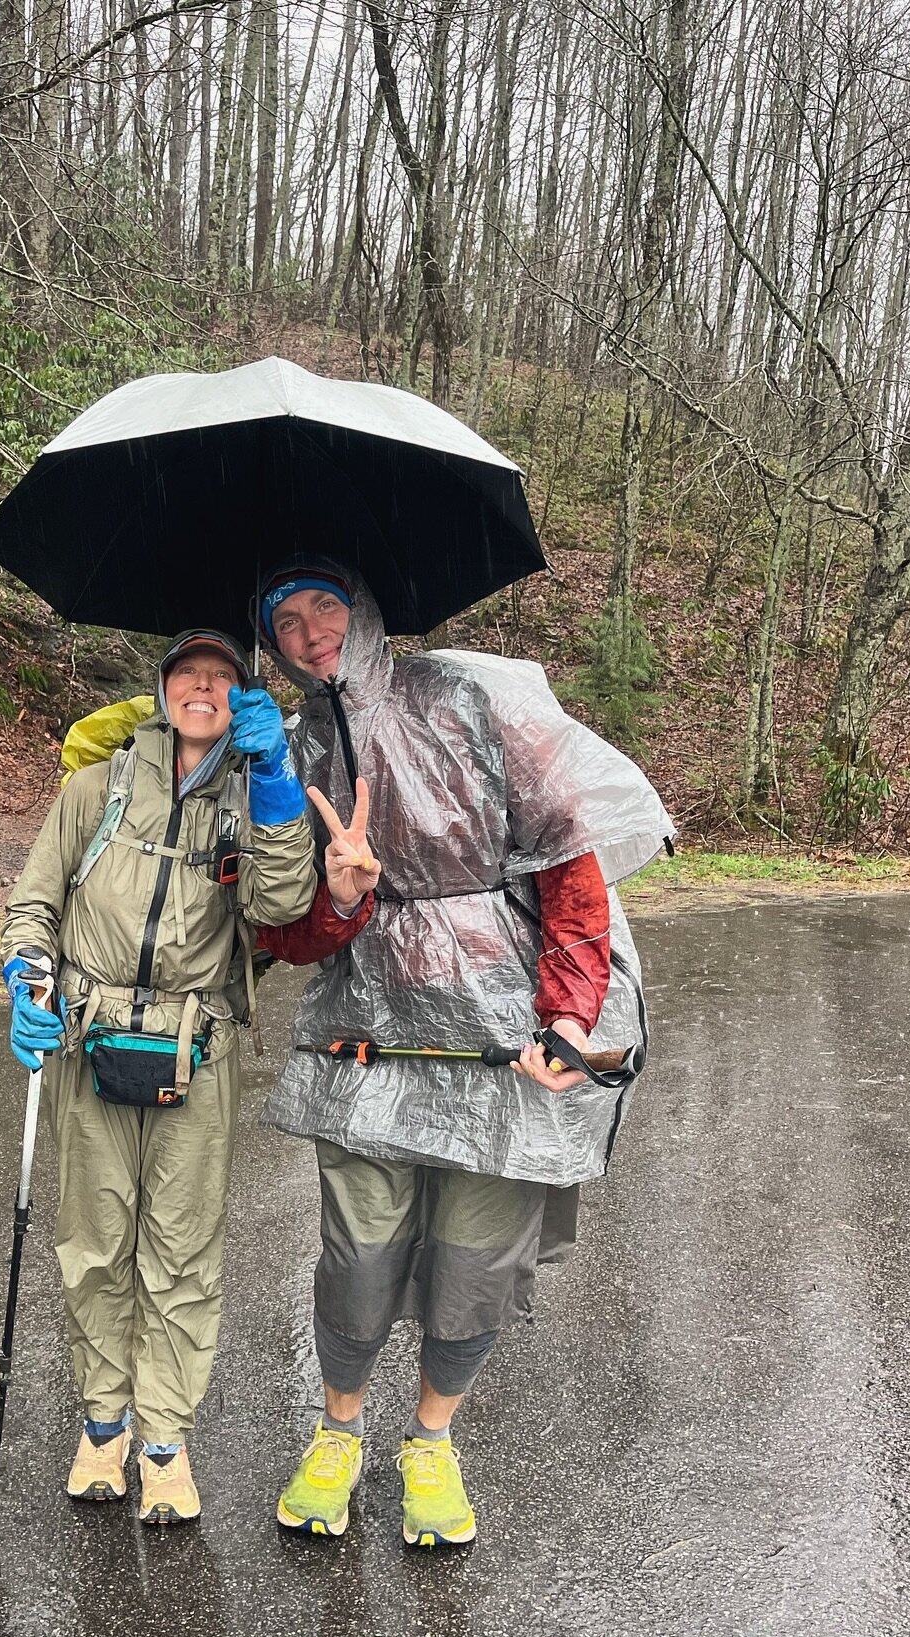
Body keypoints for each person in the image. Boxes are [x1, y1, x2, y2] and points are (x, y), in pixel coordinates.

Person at [252, 560, 674, 1550]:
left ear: (365, 609)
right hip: (365, 1034)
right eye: (285, 620)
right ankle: (339, 1430)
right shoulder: (298, 747)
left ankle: (432, 1441)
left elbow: (569, 857)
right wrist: (345, 894)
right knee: (357, 1250)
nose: (309, 632)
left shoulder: (469, 694)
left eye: (325, 606)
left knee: (476, 1255)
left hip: (503, 1035)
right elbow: (291, 936)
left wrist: (569, 1013)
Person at [2, 628, 366, 1526]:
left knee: (180, 1250)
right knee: (93, 1241)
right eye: (186, 674)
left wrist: (277, 778)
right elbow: (35, 901)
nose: (202, 688)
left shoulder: (249, 802)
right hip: (90, 1043)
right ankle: (103, 1423)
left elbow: (281, 906)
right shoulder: (97, 787)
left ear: (241, 694)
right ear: (162, 687)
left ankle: (164, 1440)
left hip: (198, 1051)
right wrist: (25, 978)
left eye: (221, 676)